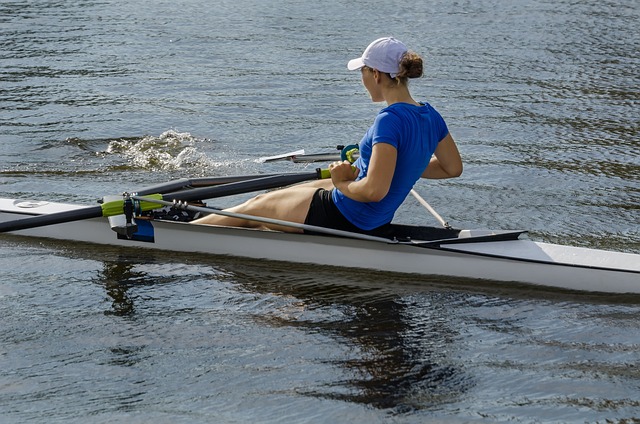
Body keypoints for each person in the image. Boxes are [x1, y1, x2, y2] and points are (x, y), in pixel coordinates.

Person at [192, 37, 462, 236]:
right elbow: (452, 168)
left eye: (362, 72)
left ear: (376, 74)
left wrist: (341, 182)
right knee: (279, 194)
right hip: (373, 219)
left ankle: (177, 233)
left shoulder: (388, 121)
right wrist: (400, 167)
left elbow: (373, 191)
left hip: (347, 216)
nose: (362, 79)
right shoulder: (431, 114)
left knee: (254, 208)